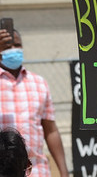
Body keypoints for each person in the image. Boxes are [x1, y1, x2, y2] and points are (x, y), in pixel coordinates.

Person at [0, 30, 68, 177]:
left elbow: (51, 130)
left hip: (38, 171)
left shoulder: (39, 83)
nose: (13, 50)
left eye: (17, 45)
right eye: (7, 45)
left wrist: (64, 172)